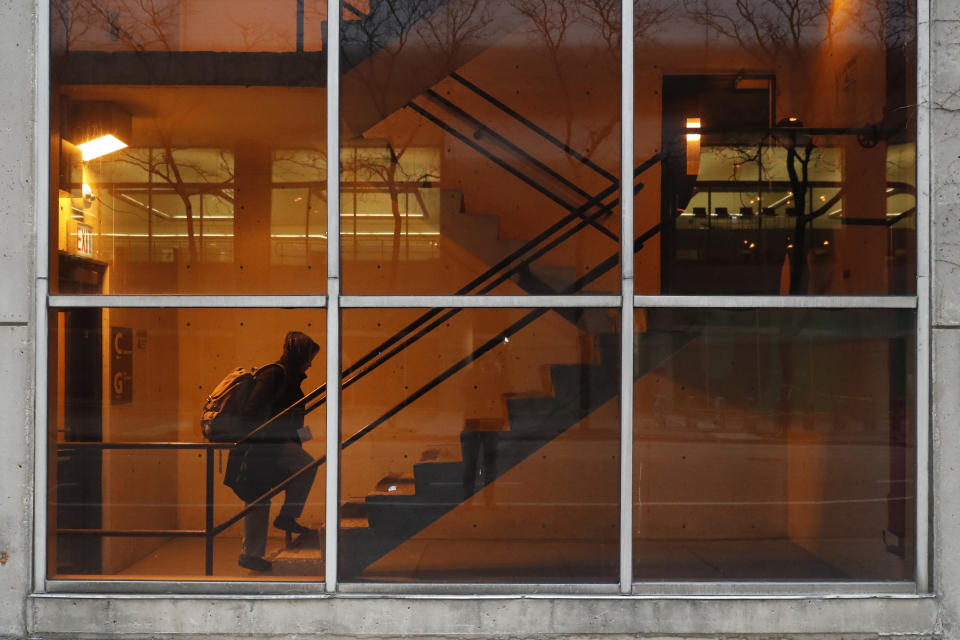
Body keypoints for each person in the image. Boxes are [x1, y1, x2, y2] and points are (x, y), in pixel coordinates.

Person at [226, 331, 320, 572]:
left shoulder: (288, 377)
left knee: (259, 498)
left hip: (267, 447)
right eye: (309, 357)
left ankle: (252, 553)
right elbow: (253, 413)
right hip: (261, 448)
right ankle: (283, 520)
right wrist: (280, 434)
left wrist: (297, 435)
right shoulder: (274, 375)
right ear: (299, 355)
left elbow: (290, 416)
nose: (310, 363)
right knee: (261, 495)